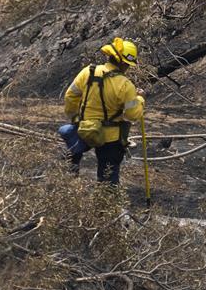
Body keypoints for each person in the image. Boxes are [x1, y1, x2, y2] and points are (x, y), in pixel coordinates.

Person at [60, 38, 145, 185]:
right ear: (124, 63)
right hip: (110, 139)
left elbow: (70, 96)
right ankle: (105, 204)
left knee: (70, 160)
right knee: (108, 179)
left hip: (84, 129)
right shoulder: (125, 85)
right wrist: (140, 100)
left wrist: (74, 117)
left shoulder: (88, 72)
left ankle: (67, 190)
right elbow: (132, 115)